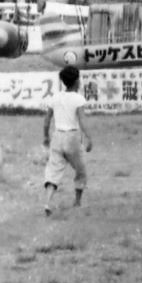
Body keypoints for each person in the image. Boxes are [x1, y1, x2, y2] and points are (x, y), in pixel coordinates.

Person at [42, 64, 93, 215]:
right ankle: (77, 202)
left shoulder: (55, 97)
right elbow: (82, 121)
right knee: (80, 170)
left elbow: (46, 121)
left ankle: (47, 202)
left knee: (53, 171)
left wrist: (45, 136)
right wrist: (89, 138)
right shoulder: (79, 99)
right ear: (76, 81)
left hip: (57, 136)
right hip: (72, 137)